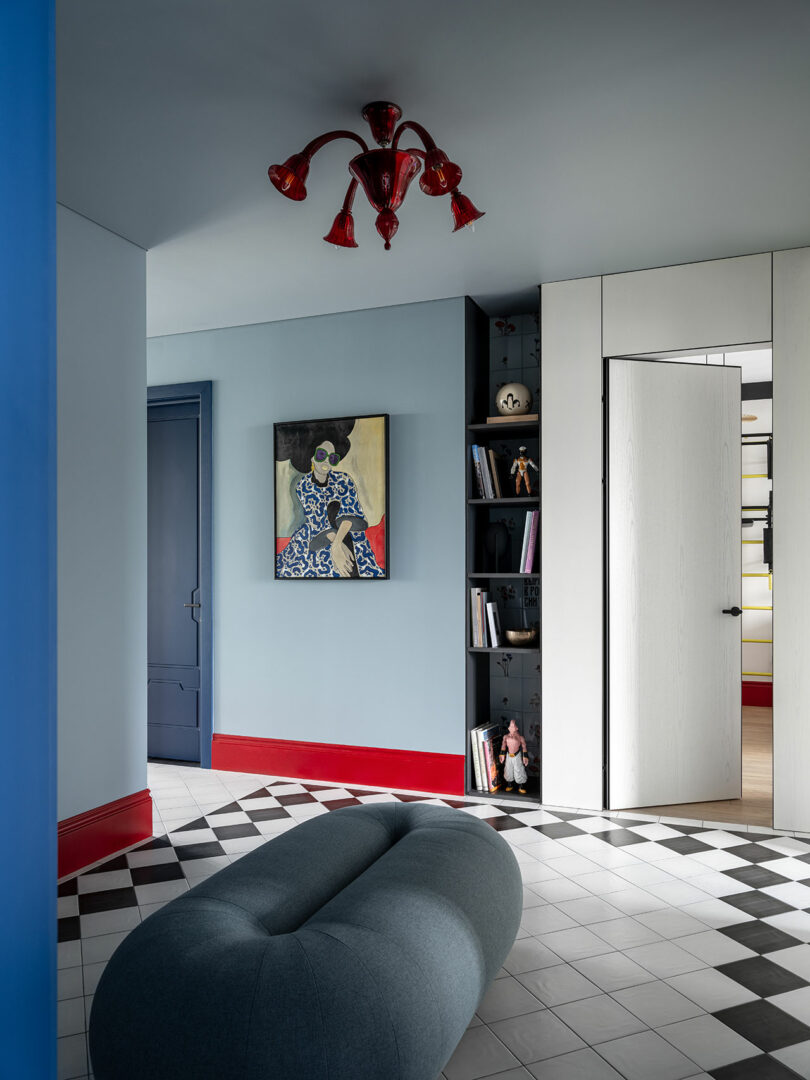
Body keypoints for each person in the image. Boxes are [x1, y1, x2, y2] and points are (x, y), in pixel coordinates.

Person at [276, 425, 384, 579]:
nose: (326, 461)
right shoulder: (303, 485)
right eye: (321, 455)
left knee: (358, 564)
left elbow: (350, 514)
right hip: (317, 535)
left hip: (347, 532)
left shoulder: (344, 480)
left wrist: (338, 544)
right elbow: (317, 524)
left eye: (332, 458)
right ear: (312, 456)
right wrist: (336, 547)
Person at [499, 719, 529, 793]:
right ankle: (509, 784)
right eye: (510, 727)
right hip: (509, 755)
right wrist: (502, 755)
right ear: (508, 728)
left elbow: (524, 746)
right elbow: (503, 746)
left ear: (516, 728)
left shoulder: (520, 737)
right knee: (508, 769)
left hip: (517, 755)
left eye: (513, 726)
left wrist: (525, 757)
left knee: (518, 769)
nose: (512, 728)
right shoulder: (505, 737)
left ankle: (521, 785)